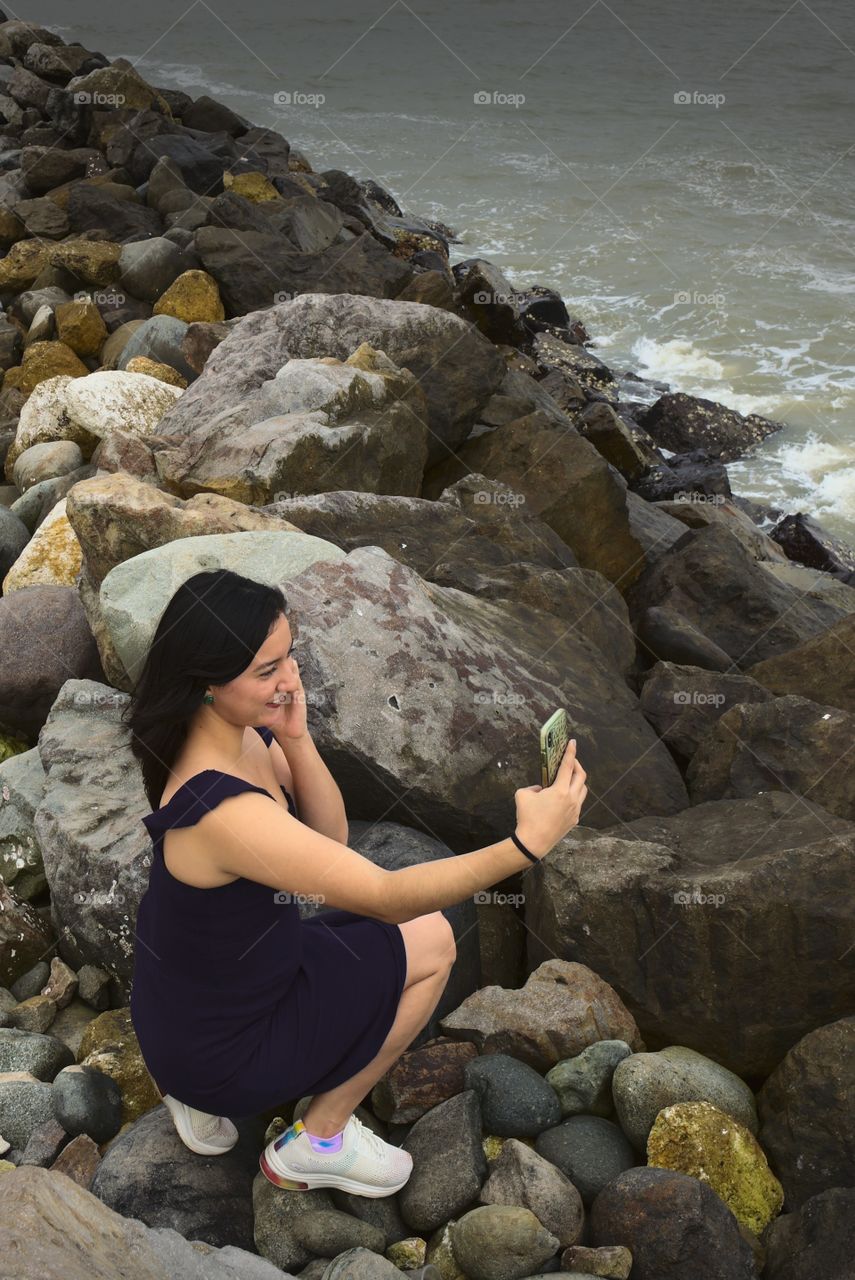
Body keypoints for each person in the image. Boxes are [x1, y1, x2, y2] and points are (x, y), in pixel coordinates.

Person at [125, 567, 588, 1197]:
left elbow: (331, 839)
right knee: (433, 944)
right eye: (267, 671)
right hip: (226, 1041)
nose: (289, 681)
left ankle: (192, 1084)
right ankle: (318, 1140)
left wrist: (297, 739)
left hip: (185, 1008)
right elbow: (386, 896)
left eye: (288, 657)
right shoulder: (224, 812)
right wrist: (524, 846)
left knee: (395, 934)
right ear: (205, 682)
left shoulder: (217, 735)